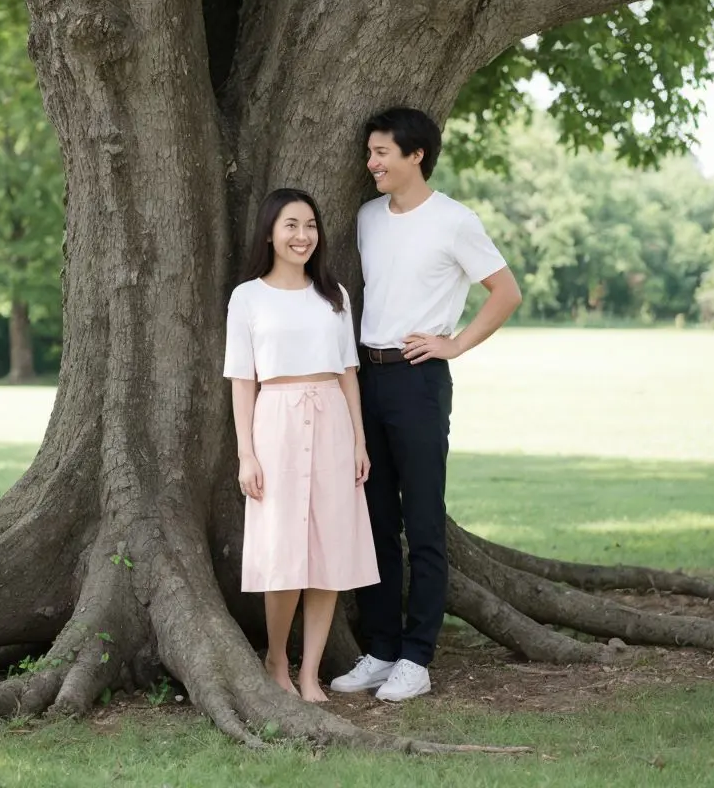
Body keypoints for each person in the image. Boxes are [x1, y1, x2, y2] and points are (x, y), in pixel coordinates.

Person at [330, 107, 522, 703]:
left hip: (419, 379)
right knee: (376, 519)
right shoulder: (365, 216)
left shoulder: (455, 221)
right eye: (369, 153)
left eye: (382, 152)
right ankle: (383, 648)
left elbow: (506, 291)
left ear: (416, 155)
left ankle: (418, 656)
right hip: (368, 377)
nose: (372, 163)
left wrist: (454, 344)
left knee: (422, 521)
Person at [224, 188, 379, 702]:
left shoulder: (334, 295)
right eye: (291, 225)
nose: (302, 236)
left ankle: (310, 672)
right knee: (283, 551)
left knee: (329, 550)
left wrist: (358, 439)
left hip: (332, 418)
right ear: (270, 232)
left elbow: (350, 373)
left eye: (310, 225)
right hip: (276, 425)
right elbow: (242, 380)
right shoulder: (247, 297)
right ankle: (276, 661)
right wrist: (247, 452)